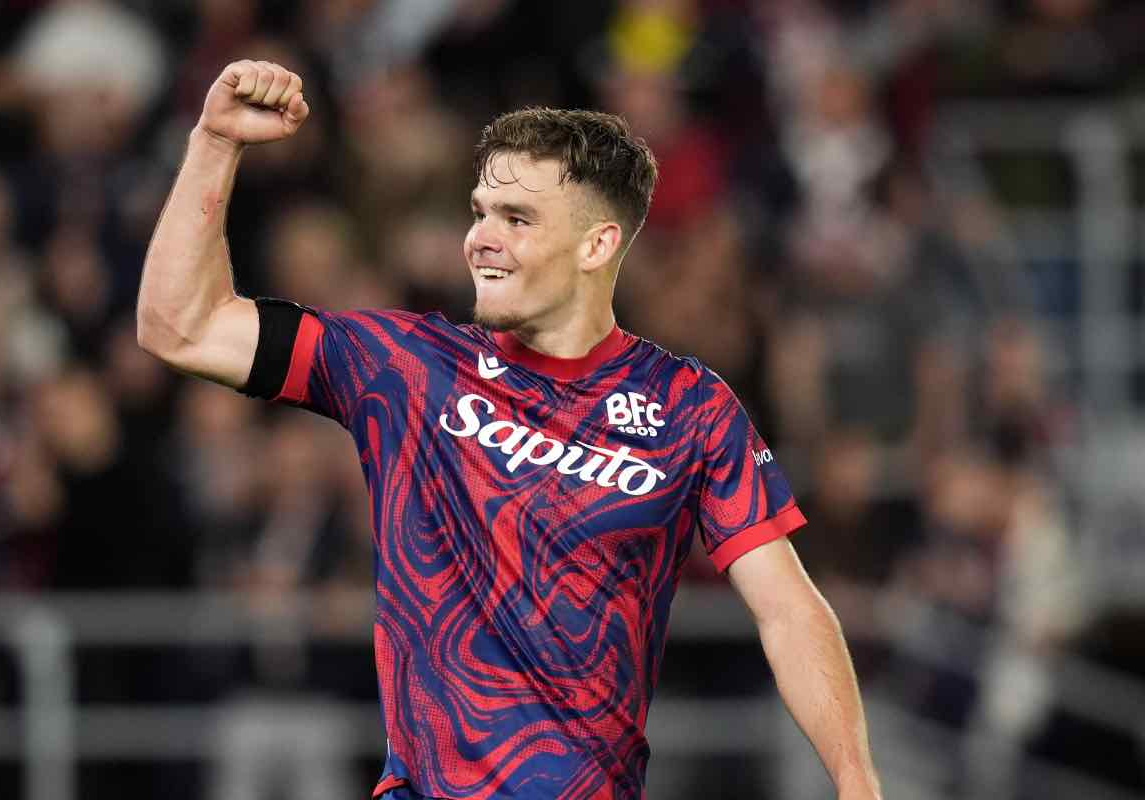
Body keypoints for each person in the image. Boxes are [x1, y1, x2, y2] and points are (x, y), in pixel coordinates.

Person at [137, 60, 882, 800]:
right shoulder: (406, 366)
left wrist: (856, 783)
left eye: (516, 219)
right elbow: (180, 327)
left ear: (596, 246)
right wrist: (214, 143)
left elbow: (786, 608)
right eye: (480, 212)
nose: (480, 240)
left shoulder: (689, 406)